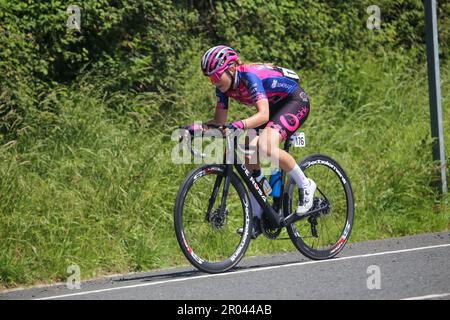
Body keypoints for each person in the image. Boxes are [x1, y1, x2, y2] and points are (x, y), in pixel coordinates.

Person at [188, 45, 316, 238]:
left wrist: (238, 125)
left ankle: (306, 185)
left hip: (294, 101)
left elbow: (263, 115)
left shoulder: (249, 77)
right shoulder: (223, 88)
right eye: (209, 78)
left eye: (215, 77)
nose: (213, 82)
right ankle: (257, 217)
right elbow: (220, 122)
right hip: (273, 106)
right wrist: (198, 129)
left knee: (265, 145)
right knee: (248, 150)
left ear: (231, 69)